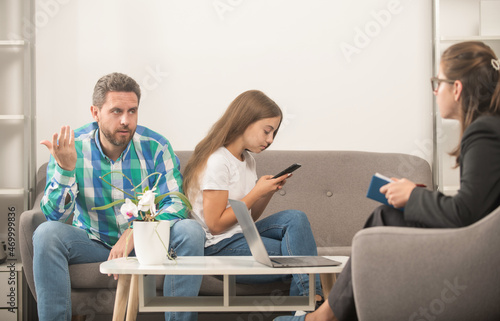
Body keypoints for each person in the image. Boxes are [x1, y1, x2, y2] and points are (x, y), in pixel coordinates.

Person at [275, 41, 500, 320]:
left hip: (479, 256)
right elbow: (478, 207)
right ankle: (329, 313)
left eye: (437, 82)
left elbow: (467, 213)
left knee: (386, 216)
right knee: (387, 215)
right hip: (481, 245)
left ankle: (325, 316)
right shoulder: (490, 128)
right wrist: (413, 195)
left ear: (456, 88)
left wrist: (413, 197)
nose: (434, 90)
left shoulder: (484, 134)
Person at [33, 72, 205, 321]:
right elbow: (54, 215)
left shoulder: (156, 146)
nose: (126, 120)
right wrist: (66, 170)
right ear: (95, 113)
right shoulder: (73, 148)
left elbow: (176, 201)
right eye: (116, 111)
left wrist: (135, 232)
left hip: (148, 243)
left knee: (191, 230)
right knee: (46, 234)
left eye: (132, 111)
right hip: (94, 242)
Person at [182, 89, 324, 312]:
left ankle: (306, 306)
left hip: (241, 234)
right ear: (245, 122)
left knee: (296, 218)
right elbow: (216, 225)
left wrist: (267, 192)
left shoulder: (247, 159)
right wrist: (256, 192)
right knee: (295, 252)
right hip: (219, 245)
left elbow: (249, 216)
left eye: (273, 134)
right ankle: (310, 306)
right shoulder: (218, 161)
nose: (270, 140)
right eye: (267, 131)